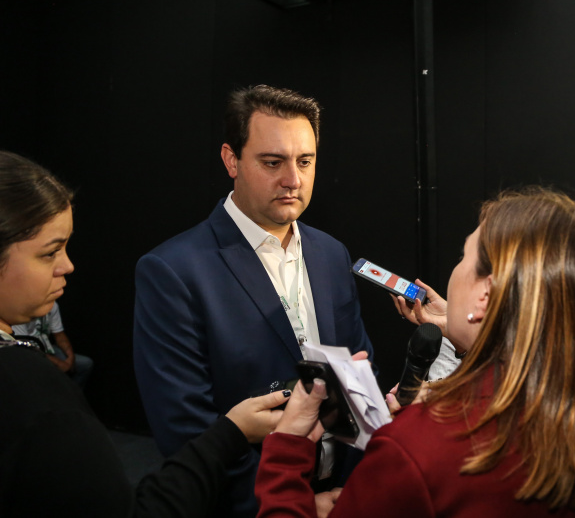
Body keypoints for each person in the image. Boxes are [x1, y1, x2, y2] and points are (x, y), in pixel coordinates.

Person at [255, 188, 575, 517]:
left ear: (487, 293)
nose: (456, 270)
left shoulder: (418, 450)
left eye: (464, 257)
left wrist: (288, 450)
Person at [0, 150, 291, 517]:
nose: (67, 265)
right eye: (49, 252)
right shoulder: (30, 391)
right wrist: (230, 435)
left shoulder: (328, 254)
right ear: (232, 161)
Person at [133, 85, 374, 517]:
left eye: (305, 161)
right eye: (272, 162)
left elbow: (357, 370)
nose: (293, 180)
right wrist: (290, 505)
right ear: (231, 160)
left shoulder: (331, 253)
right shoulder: (172, 271)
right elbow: (188, 433)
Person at [12, 301, 94, 388]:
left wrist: (70, 358)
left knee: (86, 363)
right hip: (28, 353)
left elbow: (59, 335)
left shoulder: (52, 305)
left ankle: (71, 396)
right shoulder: (20, 310)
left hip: (47, 348)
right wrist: (58, 363)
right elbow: (27, 346)